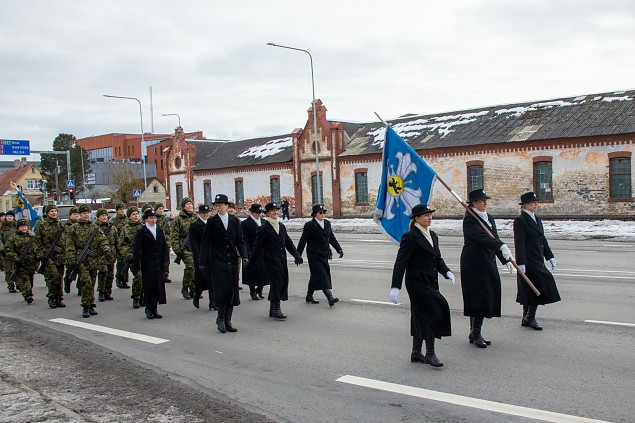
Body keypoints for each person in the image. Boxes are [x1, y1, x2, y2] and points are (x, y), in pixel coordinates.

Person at [390, 204, 454, 367]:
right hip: (417, 283)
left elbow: (437, 259)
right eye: (425, 215)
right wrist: (395, 286)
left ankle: (416, 352)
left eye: (430, 214)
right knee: (431, 313)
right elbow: (401, 262)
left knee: (419, 315)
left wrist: (446, 272)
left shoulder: (432, 235)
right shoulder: (410, 237)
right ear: (416, 219)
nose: (429, 217)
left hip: (431, 282)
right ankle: (430, 354)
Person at [460, 189, 514, 348]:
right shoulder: (470, 219)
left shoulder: (487, 218)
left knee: (487, 294)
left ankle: (474, 332)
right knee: (478, 297)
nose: (485, 203)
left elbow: (493, 239)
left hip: (487, 260)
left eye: (486, 200)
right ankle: (475, 332)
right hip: (474, 262)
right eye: (482, 200)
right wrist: (500, 245)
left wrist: (505, 259)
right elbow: (480, 238)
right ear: (473, 203)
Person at [200, 194, 248, 333]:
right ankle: (220, 318)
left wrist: (244, 255)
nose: (219, 207)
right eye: (217, 205)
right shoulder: (212, 222)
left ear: (227, 206)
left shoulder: (234, 221)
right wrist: (203, 262)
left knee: (232, 292)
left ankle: (228, 320)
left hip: (232, 260)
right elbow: (205, 243)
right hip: (217, 260)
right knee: (222, 290)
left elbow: (240, 240)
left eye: (222, 204)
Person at [513, 191, 561, 330]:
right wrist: (521, 263)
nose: (536, 205)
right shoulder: (521, 221)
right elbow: (519, 243)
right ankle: (530, 317)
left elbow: (542, 239)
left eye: (536, 202)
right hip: (528, 262)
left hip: (538, 259)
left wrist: (550, 256)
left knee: (530, 288)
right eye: (533, 203)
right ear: (525, 205)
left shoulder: (537, 219)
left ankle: (526, 317)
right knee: (537, 287)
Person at [248, 202, 303, 320]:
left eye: (276, 210)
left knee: (281, 283)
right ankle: (277, 308)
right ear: (267, 213)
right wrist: (250, 265)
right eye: (272, 210)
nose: (275, 212)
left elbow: (288, 242)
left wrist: (297, 255)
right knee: (277, 283)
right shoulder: (263, 228)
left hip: (281, 260)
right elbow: (256, 248)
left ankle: (272, 308)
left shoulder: (281, 226)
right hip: (270, 261)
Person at [66, 205, 111, 318]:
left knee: (91, 283)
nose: (86, 215)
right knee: (86, 283)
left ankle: (91, 304)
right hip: (81, 259)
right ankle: (85, 306)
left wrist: (106, 250)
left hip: (94, 260)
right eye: (83, 213)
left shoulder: (95, 227)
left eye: (88, 213)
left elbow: (103, 241)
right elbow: (70, 244)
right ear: (80, 214)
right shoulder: (74, 228)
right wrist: (72, 259)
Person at [296, 204, 343, 307]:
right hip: (314, 254)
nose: (323, 215)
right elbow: (303, 240)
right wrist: (297, 255)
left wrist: (338, 249)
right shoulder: (310, 225)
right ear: (314, 214)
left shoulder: (327, 223)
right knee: (322, 275)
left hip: (324, 254)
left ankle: (309, 295)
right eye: (320, 213)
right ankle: (330, 297)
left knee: (316, 275)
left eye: (324, 212)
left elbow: (331, 238)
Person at [132, 209, 170, 319]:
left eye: (155, 218)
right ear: (145, 220)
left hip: (159, 263)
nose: (153, 220)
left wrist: (166, 259)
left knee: (158, 286)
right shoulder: (142, 232)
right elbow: (137, 249)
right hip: (147, 263)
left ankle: (155, 308)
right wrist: (136, 264)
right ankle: (148, 308)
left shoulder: (159, 230)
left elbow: (164, 246)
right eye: (151, 218)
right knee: (149, 287)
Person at [33, 204, 66, 308]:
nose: (54, 213)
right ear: (47, 213)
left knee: (60, 278)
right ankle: (51, 297)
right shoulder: (41, 225)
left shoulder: (60, 224)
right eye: (51, 211)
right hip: (48, 255)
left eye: (55, 211)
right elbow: (37, 241)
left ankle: (59, 298)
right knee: (53, 277)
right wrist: (40, 254)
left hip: (60, 256)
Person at [5, 219, 38, 304]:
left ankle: (29, 291)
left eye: (25, 226)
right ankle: (27, 295)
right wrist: (16, 259)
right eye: (21, 227)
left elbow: (37, 248)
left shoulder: (31, 236)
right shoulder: (13, 238)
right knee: (24, 279)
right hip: (21, 262)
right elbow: (9, 250)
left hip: (31, 262)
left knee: (30, 279)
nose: (24, 228)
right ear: (18, 228)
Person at [170, 197, 197, 300]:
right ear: (183, 206)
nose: (190, 206)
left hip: (195, 247)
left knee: (196, 268)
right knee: (190, 267)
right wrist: (177, 250)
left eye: (191, 204)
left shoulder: (195, 217)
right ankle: (185, 287)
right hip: (184, 247)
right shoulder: (178, 219)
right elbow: (174, 235)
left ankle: (193, 288)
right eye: (187, 204)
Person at [241, 203, 268, 300]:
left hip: (263, 251)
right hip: (252, 250)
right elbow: (244, 239)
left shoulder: (264, 222)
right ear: (251, 212)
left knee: (264, 272)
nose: (258, 214)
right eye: (256, 212)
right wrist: (247, 252)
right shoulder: (245, 224)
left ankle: (259, 289)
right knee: (251, 272)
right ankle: (252, 290)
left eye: (259, 212)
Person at [118, 207, 144, 309]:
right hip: (133, 257)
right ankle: (136, 297)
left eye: (137, 214)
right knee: (139, 276)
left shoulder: (143, 227)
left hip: (144, 257)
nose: (136, 216)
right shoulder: (126, 228)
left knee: (145, 278)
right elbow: (122, 245)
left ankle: (142, 297)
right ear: (129, 216)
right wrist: (129, 256)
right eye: (133, 214)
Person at [190, 204, 213, 310]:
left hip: (212, 255)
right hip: (200, 256)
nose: (205, 215)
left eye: (207, 213)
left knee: (213, 280)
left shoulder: (212, 223)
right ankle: (196, 296)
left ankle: (212, 302)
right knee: (201, 280)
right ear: (199, 214)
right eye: (203, 213)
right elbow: (194, 243)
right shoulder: (195, 225)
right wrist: (198, 257)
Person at [95, 208, 118, 302]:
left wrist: (118, 253)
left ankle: (107, 292)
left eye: (105, 215)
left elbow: (117, 241)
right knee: (103, 273)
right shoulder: (96, 228)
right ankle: (101, 291)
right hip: (101, 254)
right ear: (98, 217)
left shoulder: (112, 227)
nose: (104, 217)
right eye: (102, 216)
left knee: (110, 274)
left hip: (111, 253)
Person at [110, 202, 130, 289]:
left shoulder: (127, 219)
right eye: (120, 209)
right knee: (120, 262)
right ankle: (118, 278)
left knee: (126, 262)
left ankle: (124, 280)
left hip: (126, 244)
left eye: (123, 209)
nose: (122, 211)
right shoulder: (113, 220)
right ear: (117, 210)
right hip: (117, 244)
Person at [63, 206, 80, 295]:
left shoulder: (82, 225)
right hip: (70, 250)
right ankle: (67, 282)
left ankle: (80, 287)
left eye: (77, 214)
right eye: (74, 214)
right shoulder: (65, 226)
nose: (76, 216)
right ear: (70, 215)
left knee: (82, 270)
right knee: (70, 269)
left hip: (81, 250)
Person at [0, 210, 17, 293]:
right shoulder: (2, 227)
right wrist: (2, 249)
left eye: (11, 216)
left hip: (17, 251)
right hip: (6, 251)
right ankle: (10, 285)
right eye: (8, 216)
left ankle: (19, 284)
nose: (9, 217)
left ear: (13, 217)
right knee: (8, 270)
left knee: (18, 268)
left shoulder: (17, 226)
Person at [155, 202, 171, 283]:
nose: (161, 211)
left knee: (166, 260)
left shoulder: (165, 219)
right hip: (155, 242)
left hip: (164, 242)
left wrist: (167, 241)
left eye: (162, 209)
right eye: (159, 209)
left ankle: (165, 274)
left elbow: (168, 232)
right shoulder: (153, 218)